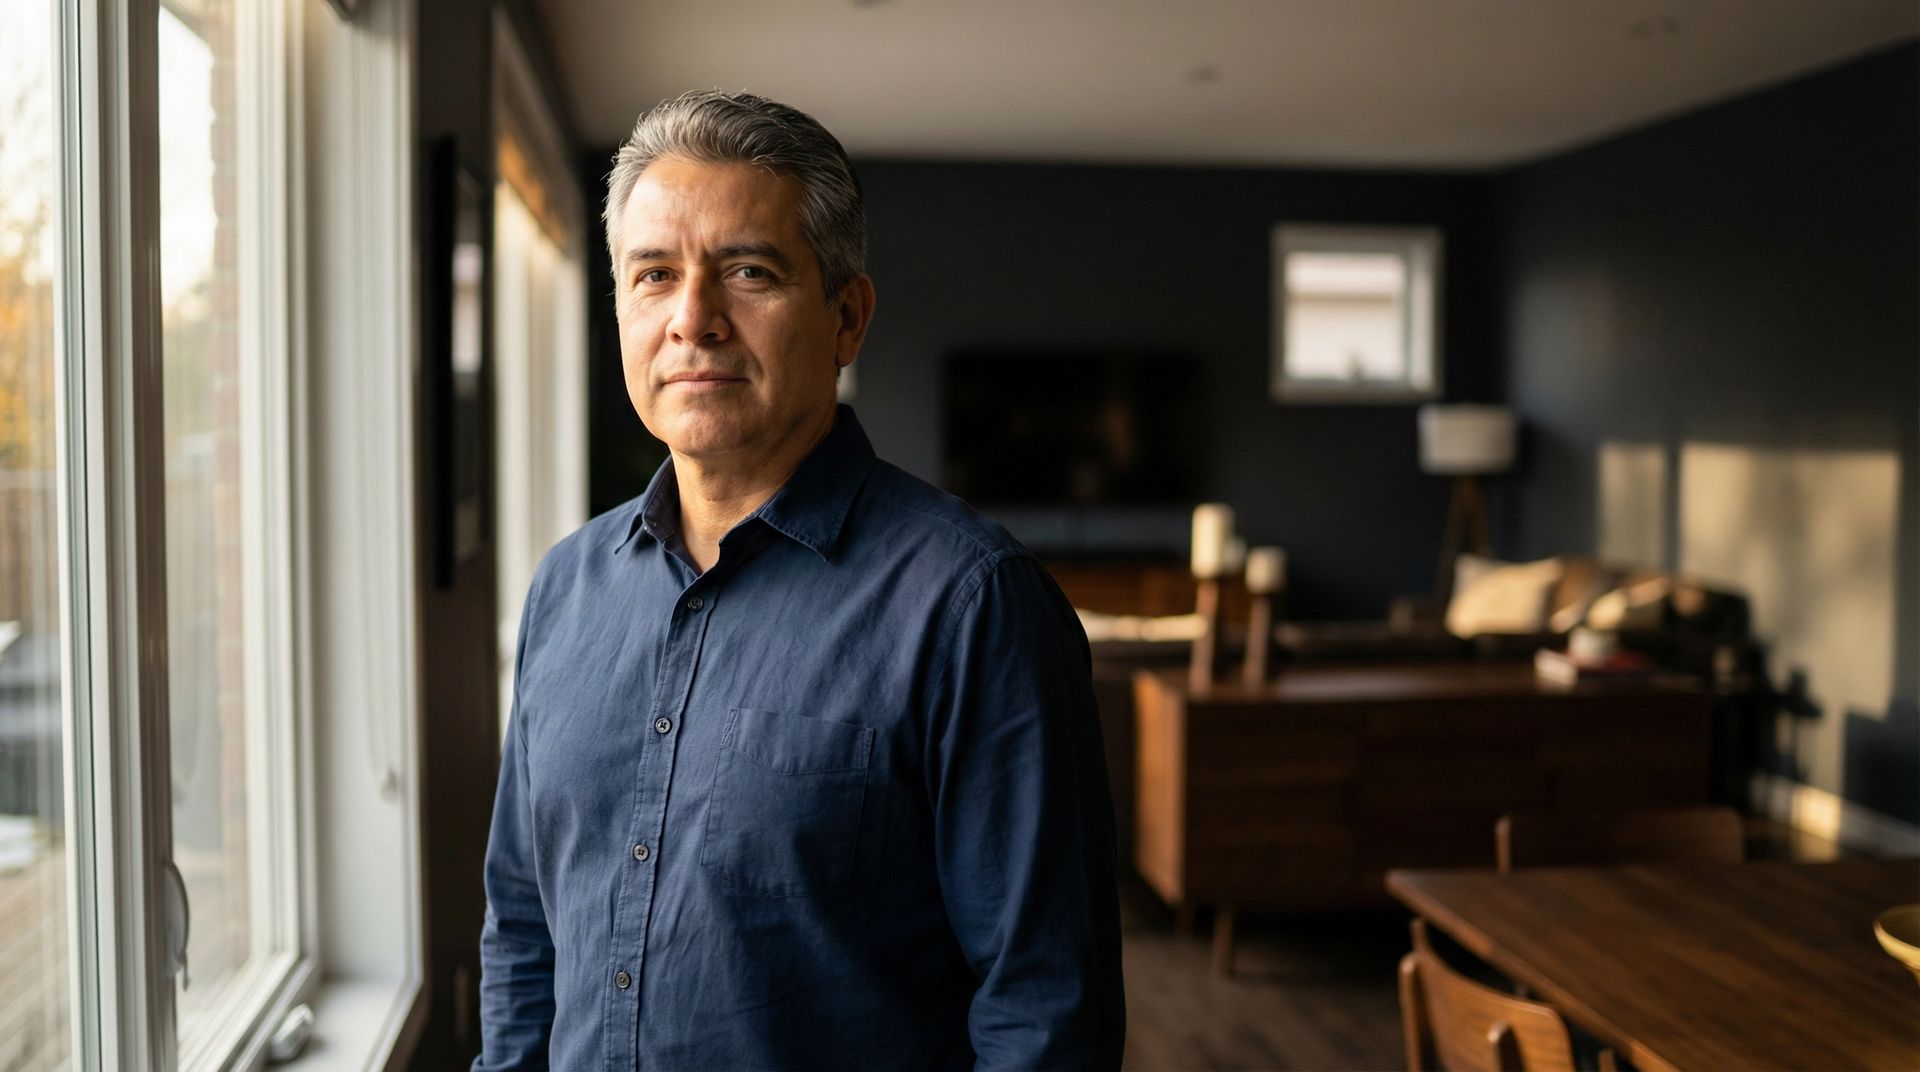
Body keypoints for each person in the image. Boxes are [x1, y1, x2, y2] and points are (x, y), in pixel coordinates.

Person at [473, 90, 1125, 1070]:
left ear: (847, 316)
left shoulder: (973, 606)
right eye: (654, 275)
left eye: (748, 271)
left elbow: (1045, 1010)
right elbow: (524, 935)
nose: (693, 319)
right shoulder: (565, 589)